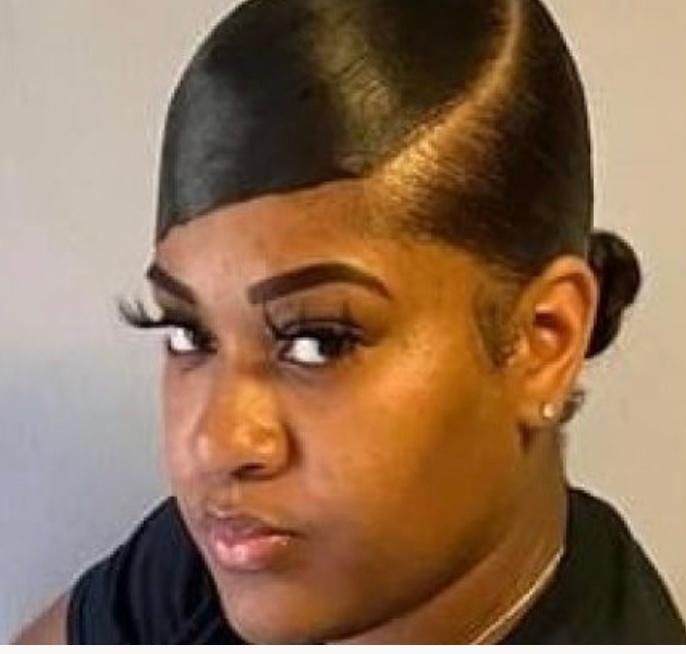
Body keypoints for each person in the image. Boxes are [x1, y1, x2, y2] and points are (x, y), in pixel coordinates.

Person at [13, 0, 686, 644]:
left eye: (317, 342)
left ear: (543, 341)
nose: (215, 445)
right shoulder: (247, 541)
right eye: (192, 334)